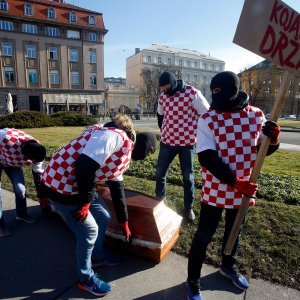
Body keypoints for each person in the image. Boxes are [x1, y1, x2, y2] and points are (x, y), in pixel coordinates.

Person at [186, 71, 281, 300]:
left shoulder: (256, 116)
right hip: (216, 189)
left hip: (244, 189)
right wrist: (236, 182)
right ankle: (193, 280)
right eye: (214, 94)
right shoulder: (208, 119)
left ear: (233, 93)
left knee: (234, 231)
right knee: (204, 235)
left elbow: (260, 152)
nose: (216, 101)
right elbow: (207, 158)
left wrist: (274, 140)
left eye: (220, 94)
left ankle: (228, 265)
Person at [40, 114, 157, 297]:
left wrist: (124, 221)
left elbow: (117, 189)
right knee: (88, 230)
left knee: (103, 217)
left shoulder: (123, 148)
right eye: (148, 153)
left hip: (79, 184)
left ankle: (97, 257)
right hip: (61, 186)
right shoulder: (114, 136)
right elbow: (84, 166)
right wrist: (85, 202)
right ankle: (85, 279)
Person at [156, 71, 209, 222]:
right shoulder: (163, 96)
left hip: (187, 143)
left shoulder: (192, 93)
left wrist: (198, 131)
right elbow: (160, 115)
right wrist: (163, 129)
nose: (165, 92)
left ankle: (188, 207)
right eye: (163, 90)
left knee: (188, 177)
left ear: (173, 84)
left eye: (166, 89)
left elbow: (206, 113)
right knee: (160, 174)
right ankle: (159, 203)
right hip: (167, 142)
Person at [0, 128, 46, 237]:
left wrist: (42, 197)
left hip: (12, 164)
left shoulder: (38, 151)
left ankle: (21, 214)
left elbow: (38, 177)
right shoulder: (5, 137)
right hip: (2, 157)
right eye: (31, 160)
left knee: (21, 189)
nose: (33, 162)